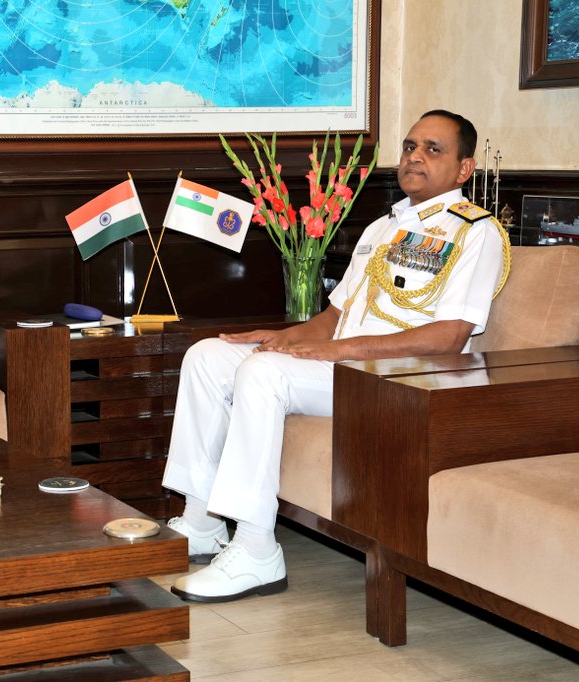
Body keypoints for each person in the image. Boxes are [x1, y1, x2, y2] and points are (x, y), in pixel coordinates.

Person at [162, 110, 510, 603]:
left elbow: (448, 337)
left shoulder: (476, 233)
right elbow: (333, 316)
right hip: (344, 367)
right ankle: (200, 523)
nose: (415, 156)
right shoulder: (381, 227)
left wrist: (330, 351)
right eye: (410, 145)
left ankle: (256, 549)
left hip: (403, 379)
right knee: (208, 355)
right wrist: (284, 337)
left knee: (262, 375)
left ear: (463, 169)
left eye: (433, 149)